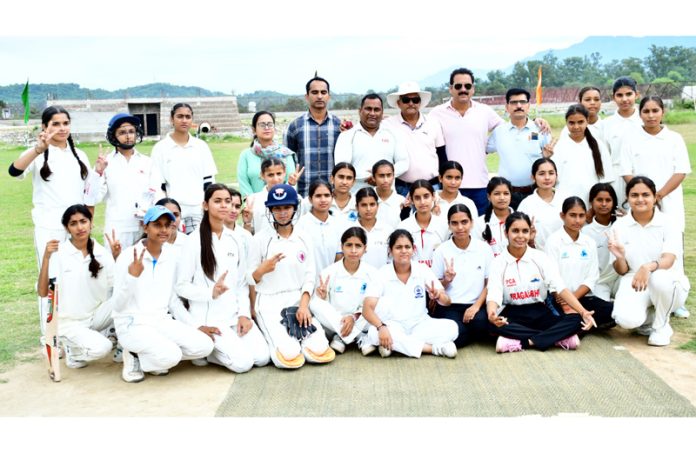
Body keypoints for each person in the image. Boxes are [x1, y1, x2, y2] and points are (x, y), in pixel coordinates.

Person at [9, 106, 99, 339]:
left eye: (65, 123)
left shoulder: (79, 154)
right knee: (51, 281)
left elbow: (89, 192)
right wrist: (38, 149)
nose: (62, 128)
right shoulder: (37, 154)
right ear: (45, 127)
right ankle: (49, 337)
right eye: (55, 124)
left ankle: (73, 332)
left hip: (77, 228)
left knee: (78, 278)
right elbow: (14, 171)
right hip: (50, 228)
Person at [112, 205, 214, 382]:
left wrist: (194, 326)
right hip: (132, 323)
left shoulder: (172, 255)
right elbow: (118, 306)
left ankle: (151, 356)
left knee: (205, 346)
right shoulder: (129, 256)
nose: (164, 230)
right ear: (145, 227)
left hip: (160, 321)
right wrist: (132, 277)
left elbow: (173, 301)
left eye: (167, 225)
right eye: (157, 225)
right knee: (171, 355)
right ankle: (134, 354)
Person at [175, 184, 270, 373]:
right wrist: (210, 292)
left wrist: (243, 314)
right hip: (211, 321)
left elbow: (242, 283)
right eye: (217, 201)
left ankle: (221, 348)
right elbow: (181, 286)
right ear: (205, 205)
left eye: (227, 201)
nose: (224, 206)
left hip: (234, 317)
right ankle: (206, 351)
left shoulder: (235, 239)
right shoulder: (193, 241)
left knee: (262, 358)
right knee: (243, 364)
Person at [249, 183, 335, 369]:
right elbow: (249, 279)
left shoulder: (303, 237)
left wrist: (304, 306)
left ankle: (297, 338)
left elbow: (310, 275)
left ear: (294, 208)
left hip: (297, 300)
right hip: (269, 301)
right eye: (277, 208)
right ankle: (276, 336)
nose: (282, 213)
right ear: (270, 210)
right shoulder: (260, 239)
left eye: (287, 207)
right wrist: (261, 270)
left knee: (319, 351)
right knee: (288, 357)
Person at [486, 212, 597, 353]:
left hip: (539, 310)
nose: (520, 236)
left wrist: (583, 311)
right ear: (506, 232)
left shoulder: (540, 257)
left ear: (530, 232)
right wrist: (492, 314)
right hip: (513, 313)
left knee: (577, 320)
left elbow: (560, 287)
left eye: (525, 231)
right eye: (515, 231)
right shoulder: (498, 262)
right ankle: (558, 338)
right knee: (490, 324)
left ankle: (525, 342)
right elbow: (494, 293)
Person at [608, 176, 690, 346]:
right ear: (627, 198)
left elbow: (668, 259)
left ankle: (661, 326)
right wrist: (620, 256)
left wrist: (648, 267)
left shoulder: (669, 223)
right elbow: (622, 270)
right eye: (634, 195)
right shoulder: (619, 226)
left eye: (645, 195)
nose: (640, 199)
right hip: (634, 279)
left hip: (669, 280)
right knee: (625, 320)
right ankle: (649, 320)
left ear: (654, 197)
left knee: (659, 278)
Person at [37, 204, 115, 369]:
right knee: (103, 348)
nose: (80, 227)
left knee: (124, 299)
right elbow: (43, 292)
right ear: (67, 228)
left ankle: (128, 349)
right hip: (69, 322)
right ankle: (73, 350)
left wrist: (118, 257)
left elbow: (121, 286)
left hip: (95, 317)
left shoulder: (102, 253)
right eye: (73, 223)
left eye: (83, 221)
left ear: (90, 223)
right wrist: (46, 258)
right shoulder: (59, 253)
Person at [361, 229, 458, 359]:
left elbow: (447, 301)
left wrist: (439, 296)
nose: (404, 251)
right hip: (392, 324)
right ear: (390, 250)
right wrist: (381, 327)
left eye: (407, 247)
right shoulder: (382, 274)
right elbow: (367, 310)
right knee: (374, 332)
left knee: (453, 327)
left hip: (420, 324)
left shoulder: (422, 269)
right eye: (398, 247)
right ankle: (434, 348)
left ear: (413, 249)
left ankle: (393, 345)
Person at [619, 96, 692, 236]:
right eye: (646, 111)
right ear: (640, 114)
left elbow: (681, 171)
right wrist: (644, 195)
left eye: (655, 110)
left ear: (662, 112)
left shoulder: (674, 138)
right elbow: (626, 171)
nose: (651, 115)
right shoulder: (630, 139)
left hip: (670, 201)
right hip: (641, 201)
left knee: (672, 239)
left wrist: (658, 196)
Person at [545, 197, 615, 329]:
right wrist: (564, 299)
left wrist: (573, 298)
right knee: (565, 320)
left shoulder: (589, 242)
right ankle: (583, 323)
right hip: (558, 299)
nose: (577, 220)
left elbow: (592, 276)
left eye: (581, 216)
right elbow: (552, 277)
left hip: (581, 297)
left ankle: (583, 322)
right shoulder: (553, 241)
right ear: (562, 216)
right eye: (572, 215)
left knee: (616, 312)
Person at [149, 103, 218, 233]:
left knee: (198, 250)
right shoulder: (160, 148)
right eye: (180, 116)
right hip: (173, 212)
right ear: (171, 119)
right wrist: (165, 210)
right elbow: (157, 185)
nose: (184, 120)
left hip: (198, 209)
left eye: (188, 116)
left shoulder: (201, 147)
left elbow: (209, 181)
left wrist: (208, 206)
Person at [432, 204, 493, 347]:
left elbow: (489, 283)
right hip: (450, 306)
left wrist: (476, 307)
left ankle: (467, 332)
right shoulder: (441, 250)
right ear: (449, 225)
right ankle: (463, 334)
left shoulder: (483, 248)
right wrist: (446, 281)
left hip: (476, 304)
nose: (460, 228)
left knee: (481, 324)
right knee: (457, 335)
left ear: (471, 223)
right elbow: (436, 287)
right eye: (455, 223)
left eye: (464, 222)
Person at [310, 227, 378, 354]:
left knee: (379, 304)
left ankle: (343, 337)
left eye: (358, 246)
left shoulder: (372, 273)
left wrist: (353, 318)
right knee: (315, 303)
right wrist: (323, 297)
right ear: (341, 247)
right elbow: (323, 307)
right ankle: (357, 337)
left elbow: (369, 305)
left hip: (361, 321)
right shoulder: (328, 272)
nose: (353, 250)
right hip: (335, 323)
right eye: (349, 245)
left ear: (365, 248)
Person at [96, 113, 154, 256]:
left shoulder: (147, 162)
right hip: (117, 228)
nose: (128, 136)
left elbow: (156, 192)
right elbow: (96, 197)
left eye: (131, 132)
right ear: (113, 136)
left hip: (143, 227)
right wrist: (98, 172)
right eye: (122, 132)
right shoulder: (106, 163)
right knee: (117, 271)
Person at [486, 88, 552, 209]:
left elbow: (548, 158)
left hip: (535, 191)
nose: (519, 106)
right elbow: (481, 150)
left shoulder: (540, 129)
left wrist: (548, 156)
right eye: (514, 102)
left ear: (528, 105)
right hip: (508, 194)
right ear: (507, 107)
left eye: (522, 102)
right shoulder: (499, 132)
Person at [334, 93, 408, 192]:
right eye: (368, 109)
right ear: (360, 111)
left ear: (382, 112)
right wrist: (374, 176)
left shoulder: (393, 134)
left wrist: (381, 176)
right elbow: (342, 167)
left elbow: (404, 162)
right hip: (356, 197)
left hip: (387, 198)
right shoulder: (346, 136)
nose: (372, 113)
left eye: (376, 110)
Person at [383, 81, 445, 197]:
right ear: (399, 103)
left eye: (415, 100)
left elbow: (442, 155)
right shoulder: (387, 125)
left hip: (432, 187)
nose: (411, 103)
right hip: (402, 188)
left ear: (420, 102)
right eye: (406, 100)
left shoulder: (433, 123)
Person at [284, 76, 343, 197]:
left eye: (323, 92)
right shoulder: (295, 126)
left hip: (332, 194)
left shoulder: (339, 126)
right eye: (315, 92)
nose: (319, 96)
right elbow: (287, 160)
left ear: (329, 96)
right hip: (304, 193)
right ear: (307, 96)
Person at [553, 104, 614, 207]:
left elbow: (606, 180)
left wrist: (595, 207)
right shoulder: (559, 146)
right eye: (571, 123)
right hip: (565, 204)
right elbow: (553, 180)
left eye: (580, 122)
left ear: (587, 121)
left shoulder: (598, 146)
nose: (576, 127)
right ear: (566, 123)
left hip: (592, 204)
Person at [237, 111, 298, 199]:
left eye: (270, 124)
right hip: (255, 207)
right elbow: (244, 184)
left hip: (281, 205)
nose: (266, 128)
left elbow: (291, 183)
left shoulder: (286, 154)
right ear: (254, 130)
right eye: (262, 125)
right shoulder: (246, 155)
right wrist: (255, 204)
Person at [601, 77, 642, 201]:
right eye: (619, 95)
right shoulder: (607, 124)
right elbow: (604, 155)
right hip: (616, 178)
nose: (624, 99)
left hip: (642, 175)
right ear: (613, 97)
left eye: (629, 94)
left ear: (637, 95)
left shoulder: (644, 119)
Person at [519, 158, 569, 252]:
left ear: (556, 176)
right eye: (541, 174)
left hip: (565, 255)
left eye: (551, 173)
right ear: (533, 177)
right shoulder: (526, 204)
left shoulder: (565, 200)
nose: (547, 177)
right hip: (537, 256)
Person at [582, 183, 621, 302]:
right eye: (599, 200)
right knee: (601, 309)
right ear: (591, 202)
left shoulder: (622, 225)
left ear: (614, 202)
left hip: (620, 278)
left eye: (608, 200)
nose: (604, 204)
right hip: (599, 282)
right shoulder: (585, 231)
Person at [397, 180, 449, 267]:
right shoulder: (403, 227)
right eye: (417, 198)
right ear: (411, 200)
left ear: (433, 196)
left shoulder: (443, 226)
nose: (422, 202)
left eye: (426, 196)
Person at [296, 180, 343, 276]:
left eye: (327, 195)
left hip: (331, 282)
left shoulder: (337, 224)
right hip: (307, 284)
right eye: (318, 196)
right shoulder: (301, 225)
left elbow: (339, 258)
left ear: (332, 197)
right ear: (310, 199)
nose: (323, 200)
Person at [342, 187, 392, 269]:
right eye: (364, 205)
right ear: (357, 207)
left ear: (377, 205)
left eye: (372, 204)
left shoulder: (387, 230)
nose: (368, 209)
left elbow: (391, 259)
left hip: (381, 279)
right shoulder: (349, 230)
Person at [243, 157, 287, 236]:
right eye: (270, 175)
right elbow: (248, 233)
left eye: (279, 174)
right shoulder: (253, 200)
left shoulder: (296, 198)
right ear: (262, 175)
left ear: (284, 173)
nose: (276, 179)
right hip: (262, 246)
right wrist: (247, 223)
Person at [478, 177, 514, 257]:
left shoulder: (520, 221)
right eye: (497, 193)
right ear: (488, 197)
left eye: (506, 193)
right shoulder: (479, 223)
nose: (502, 198)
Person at [372, 159, 405, 228]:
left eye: (389, 175)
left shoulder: (401, 201)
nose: (385, 180)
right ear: (373, 178)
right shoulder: (365, 199)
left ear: (393, 176)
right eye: (381, 176)